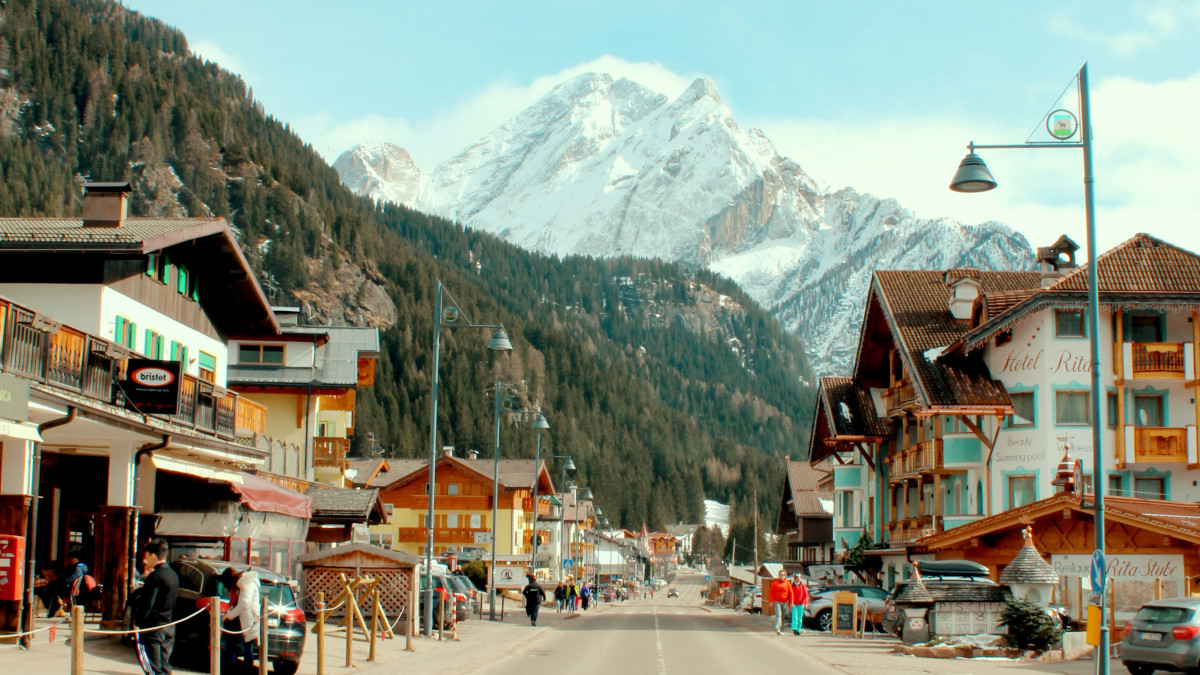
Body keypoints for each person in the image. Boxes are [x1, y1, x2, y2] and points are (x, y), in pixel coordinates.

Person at [136, 539, 179, 675]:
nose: (145, 560)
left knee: (154, 668)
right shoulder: (173, 575)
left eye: (147, 556)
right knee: (165, 666)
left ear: (153, 556)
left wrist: (138, 623)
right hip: (169, 625)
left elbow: (148, 603)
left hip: (154, 628)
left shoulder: (155, 576)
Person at [220, 566, 261, 673]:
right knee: (245, 648)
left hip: (248, 620)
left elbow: (244, 603)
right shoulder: (246, 583)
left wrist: (229, 615)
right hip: (246, 619)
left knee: (247, 649)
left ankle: (247, 671)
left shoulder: (246, 584)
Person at [768, 569, 793, 635]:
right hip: (777, 602)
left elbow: (790, 593)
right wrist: (771, 601)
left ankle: (782, 630)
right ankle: (777, 628)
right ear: (779, 575)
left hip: (784, 602)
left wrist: (791, 602)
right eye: (780, 575)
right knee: (779, 615)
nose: (782, 576)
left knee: (783, 616)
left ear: (785, 576)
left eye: (783, 575)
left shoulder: (787, 583)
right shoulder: (775, 583)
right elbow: (771, 593)